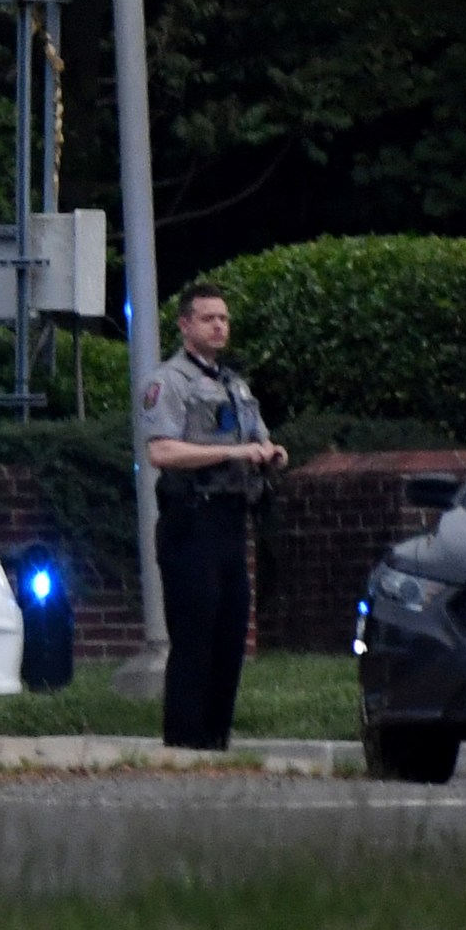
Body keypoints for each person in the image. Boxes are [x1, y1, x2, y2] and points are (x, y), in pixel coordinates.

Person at [140, 283, 287, 749]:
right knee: (195, 634)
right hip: (190, 520)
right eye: (208, 318)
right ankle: (185, 743)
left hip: (230, 520)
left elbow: (256, 437)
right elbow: (161, 451)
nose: (219, 326)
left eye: (224, 318)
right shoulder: (169, 382)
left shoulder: (234, 385)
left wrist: (269, 453)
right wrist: (232, 452)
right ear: (185, 326)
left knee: (229, 633)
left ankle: (216, 739)